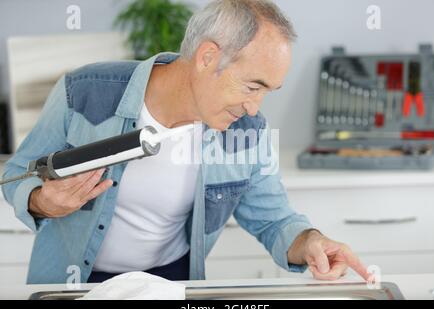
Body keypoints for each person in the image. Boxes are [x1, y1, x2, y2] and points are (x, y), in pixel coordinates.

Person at [2, 0, 370, 284]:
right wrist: (41, 201)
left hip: (172, 283)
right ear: (208, 57)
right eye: (252, 86)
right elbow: (20, 171)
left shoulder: (248, 131)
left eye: (267, 92)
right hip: (75, 284)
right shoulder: (84, 92)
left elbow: (274, 219)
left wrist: (312, 243)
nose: (253, 107)